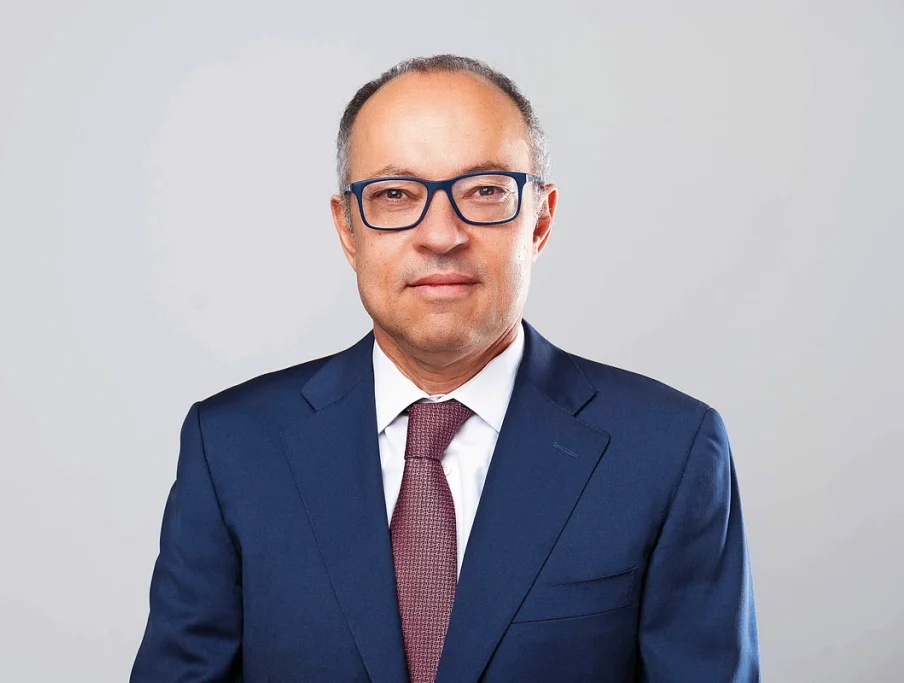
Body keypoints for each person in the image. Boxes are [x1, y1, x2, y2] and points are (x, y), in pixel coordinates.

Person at [130, 54, 760, 683]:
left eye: (484, 191)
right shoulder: (232, 446)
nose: (441, 235)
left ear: (540, 220)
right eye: (394, 194)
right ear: (348, 230)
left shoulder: (668, 450)